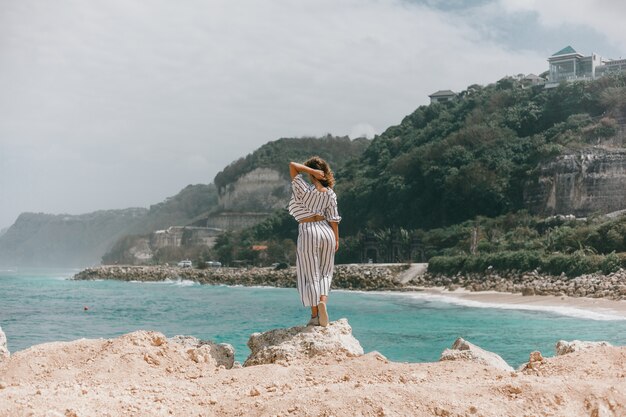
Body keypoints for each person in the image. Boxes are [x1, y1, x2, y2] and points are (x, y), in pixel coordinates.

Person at [288, 156, 341, 327]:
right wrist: (336, 238)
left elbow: (292, 165)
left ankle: (314, 316)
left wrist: (310, 171)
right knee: (326, 272)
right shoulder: (330, 194)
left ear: (312, 173)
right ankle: (323, 302)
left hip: (309, 230)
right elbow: (333, 218)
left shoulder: (303, 189)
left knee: (310, 274)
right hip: (327, 231)